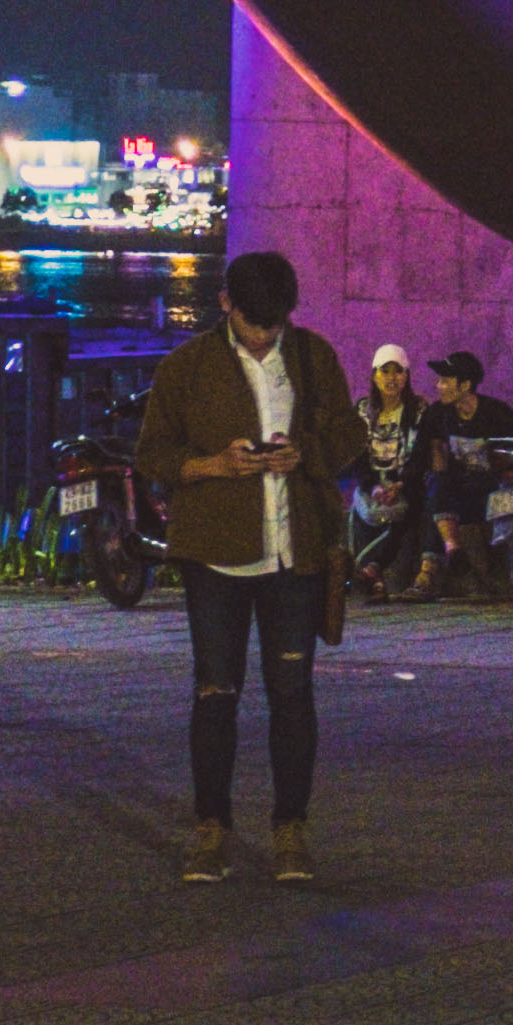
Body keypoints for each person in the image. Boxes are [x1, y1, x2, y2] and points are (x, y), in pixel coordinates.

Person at [131, 248, 355, 885]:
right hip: (215, 556)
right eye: (253, 324)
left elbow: (349, 436)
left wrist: (302, 453)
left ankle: (291, 830)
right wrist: (216, 465)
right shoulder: (187, 367)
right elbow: (153, 456)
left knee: (293, 693)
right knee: (215, 692)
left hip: (294, 552)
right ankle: (211, 829)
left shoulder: (312, 356)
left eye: (274, 325)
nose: (263, 337)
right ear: (225, 303)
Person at [418, 349, 513, 600]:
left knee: (503, 497)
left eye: (446, 381)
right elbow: (433, 454)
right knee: (436, 485)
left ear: (465, 385)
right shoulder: (438, 413)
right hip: (459, 491)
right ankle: (453, 550)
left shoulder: (495, 412)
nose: (439, 386)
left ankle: (438, 573)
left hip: (491, 489)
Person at [339, 341, 434, 602]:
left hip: (406, 481)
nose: (391, 379)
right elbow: (358, 455)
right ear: (374, 375)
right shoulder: (362, 410)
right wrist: (373, 486)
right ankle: (374, 579)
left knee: (409, 507)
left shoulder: (419, 410)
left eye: (398, 371)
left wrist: (399, 484)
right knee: (361, 510)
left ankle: (373, 570)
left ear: (407, 376)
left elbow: (421, 454)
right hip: (372, 481)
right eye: (385, 371)